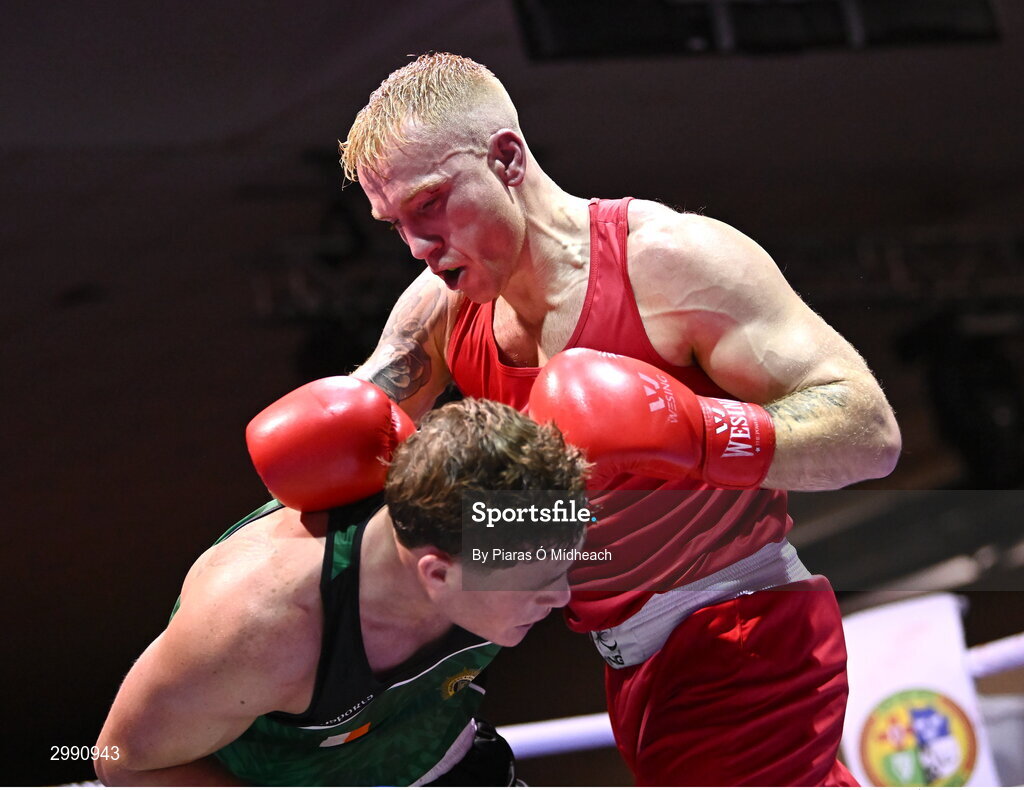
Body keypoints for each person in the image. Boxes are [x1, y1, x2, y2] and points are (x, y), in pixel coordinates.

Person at [291, 53, 901, 785]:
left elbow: (870, 432)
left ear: (506, 159)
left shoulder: (666, 262)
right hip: (630, 661)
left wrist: (697, 434)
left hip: (742, 635)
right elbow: (349, 447)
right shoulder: (441, 308)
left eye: (431, 204)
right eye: (394, 224)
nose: (419, 245)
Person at [94, 382, 590, 786]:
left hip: (443, 759)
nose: (562, 596)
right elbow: (123, 762)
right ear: (437, 574)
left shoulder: (509, 532)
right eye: (540, 582)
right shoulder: (259, 630)